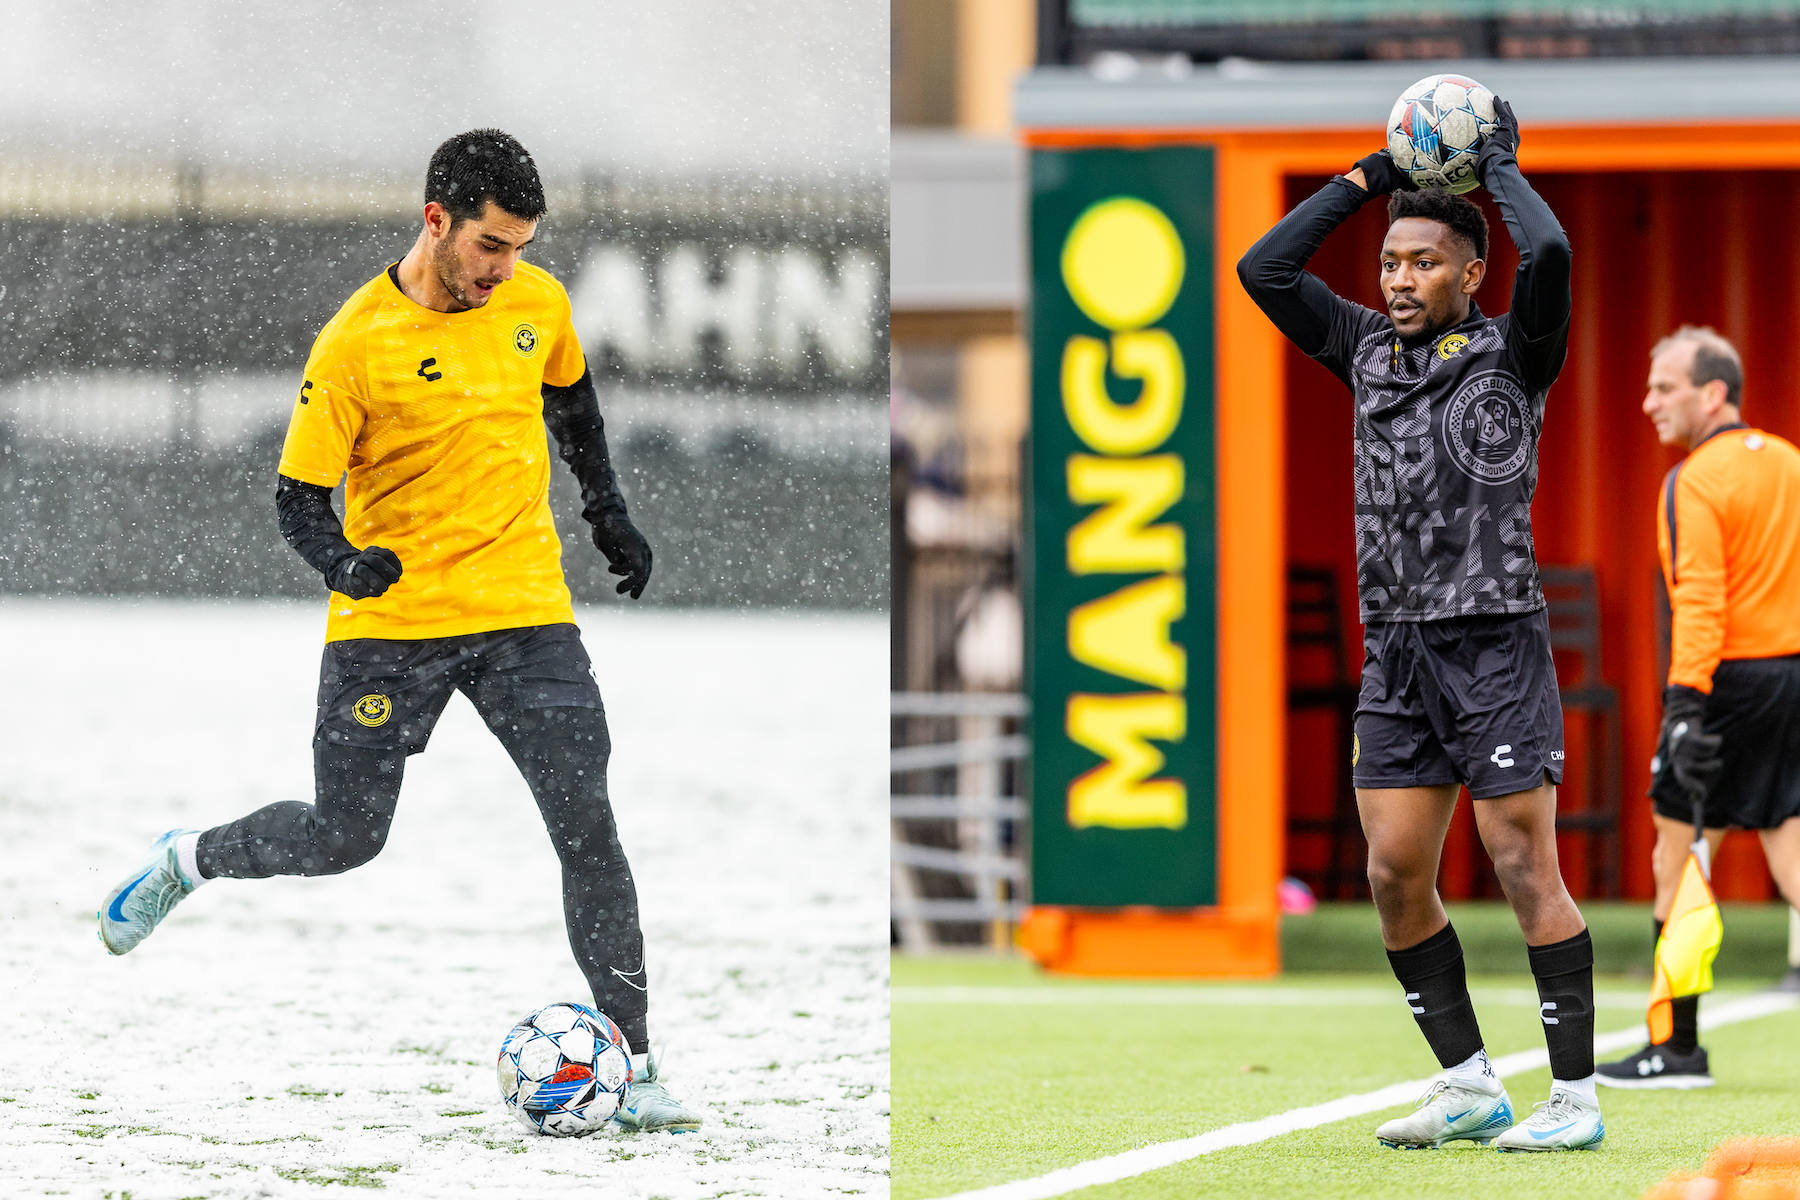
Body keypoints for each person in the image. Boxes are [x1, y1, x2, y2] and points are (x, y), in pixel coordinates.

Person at [96, 129, 700, 1133]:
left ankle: (633, 1062)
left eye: (518, 248)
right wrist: (343, 563)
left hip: (525, 612)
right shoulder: (353, 346)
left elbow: (573, 401)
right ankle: (187, 860)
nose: (506, 268)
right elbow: (297, 501)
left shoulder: (535, 304)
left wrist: (608, 511)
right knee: (345, 838)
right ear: (436, 222)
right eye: (490, 247)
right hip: (393, 626)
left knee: (586, 822)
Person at [1239, 101, 1602, 1151]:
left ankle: (1572, 1100)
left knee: (1520, 862)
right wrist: (1366, 176)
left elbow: (1554, 249)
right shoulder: (1363, 351)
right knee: (1393, 874)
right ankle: (1469, 1081)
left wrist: (1493, 170)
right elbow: (1264, 270)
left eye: (1423, 264)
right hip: (1394, 650)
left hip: (1492, 641)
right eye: (1390, 262)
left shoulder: (1514, 353)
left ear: (1469, 276)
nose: (1398, 280)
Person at [1596, 326, 1800, 1088]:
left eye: (1664, 388)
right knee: (1790, 853)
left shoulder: (1695, 479)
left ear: (1713, 393)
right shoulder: (1787, 461)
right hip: (1791, 678)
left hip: (1725, 687)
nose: (1649, 402)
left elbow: (1702, 603)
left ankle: (1676, 1047)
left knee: (1673, 859)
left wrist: (1683, 708)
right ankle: (1675, 1044)